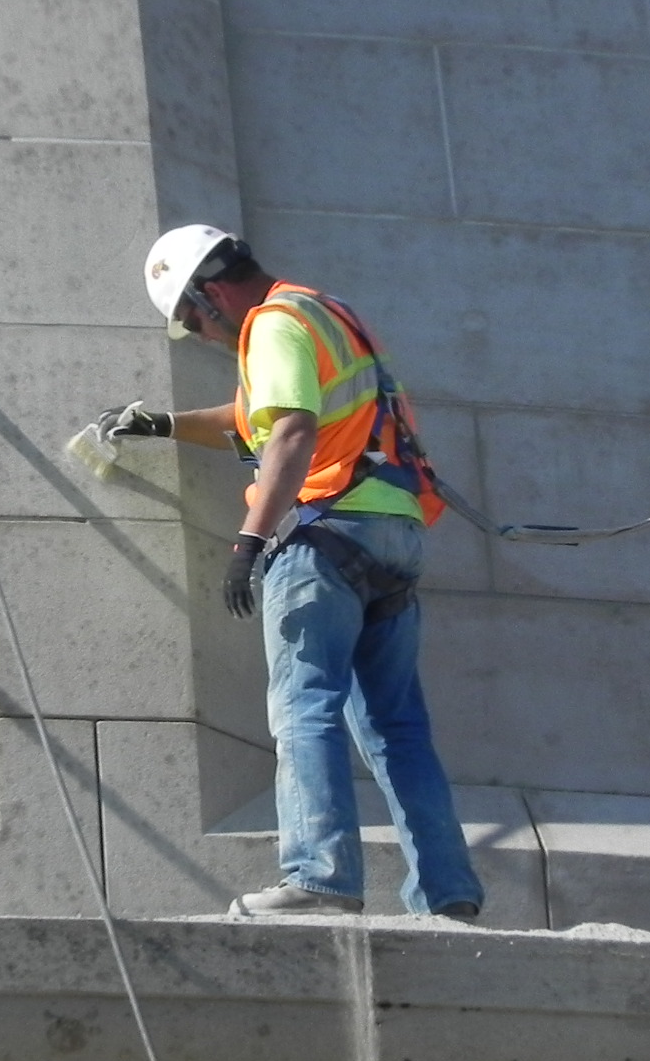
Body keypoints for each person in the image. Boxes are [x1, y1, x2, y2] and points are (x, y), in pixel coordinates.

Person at [95, 224, 483, 919]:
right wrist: (160, 425)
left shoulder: (272, 325)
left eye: (191, 320)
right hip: (392, 534)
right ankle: (447, 894)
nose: (202, 334)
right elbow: (250, 420)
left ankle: (320, 880)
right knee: (399, 731)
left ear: (211, 294)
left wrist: (249, 538)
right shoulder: (324, 314)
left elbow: (293, 430)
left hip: (325, 535)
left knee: (305, 707)